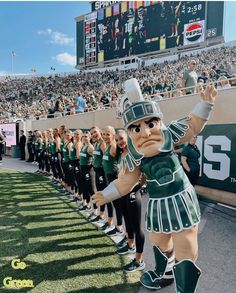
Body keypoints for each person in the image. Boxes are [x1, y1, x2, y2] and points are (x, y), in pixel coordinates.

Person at [93, 78, 217, 292]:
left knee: (186, 247)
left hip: (181, 200)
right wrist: (106, 194)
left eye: (150, 124)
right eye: (137, 128)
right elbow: (125, 181)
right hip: (158, 204)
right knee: (159, 240)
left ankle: (185, 289)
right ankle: (165, 274)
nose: (146, 133)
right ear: (130, 132)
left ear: (159, 122)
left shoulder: (170, 133)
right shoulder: (132, 155)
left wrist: (205, 103)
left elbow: (193, 124)